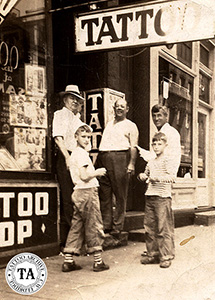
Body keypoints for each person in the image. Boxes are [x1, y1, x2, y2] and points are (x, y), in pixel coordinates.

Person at [62, 124, 109, 272]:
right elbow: (84, 176)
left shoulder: (74, 154)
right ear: (76, 137)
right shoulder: (81, 154)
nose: (87, 140)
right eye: (83, 136)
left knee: (77, 225)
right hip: (88, 192)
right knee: (94, 225)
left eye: (89, 137)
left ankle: (68, 260)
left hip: (78, 193)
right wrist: (97, 172)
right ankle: (98, 261)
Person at [95, 98, 139, 236]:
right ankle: (106, 224)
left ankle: (117, 226)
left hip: (120, 158)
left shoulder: (131, 125)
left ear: (127, 109)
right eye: (117, 106)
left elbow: (133, 147)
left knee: (120, 194)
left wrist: (131, 163)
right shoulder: (109, 124)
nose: (119, 108)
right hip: (103, 157)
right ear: (113, 108)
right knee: (104, 193)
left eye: (122, 106)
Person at [138, 132, 178, 268]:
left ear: (165, 145)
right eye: (154, 144)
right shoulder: (151, 162)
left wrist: (158, 178)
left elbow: (172, 177)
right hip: (150, 196)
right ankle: (153, 254)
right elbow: (146, 175)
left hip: (162, 197)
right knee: (149, 227)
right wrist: (142, 176)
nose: (156, 146)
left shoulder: (168, 160)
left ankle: (165, 256)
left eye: (159, 144)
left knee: (163, 228)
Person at [52, 84, 85, 247]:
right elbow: (58, 138)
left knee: (77, 195)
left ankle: (77, 237)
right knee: (67, 197)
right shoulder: (60, 114)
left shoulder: (76, 118)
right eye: (72, 98)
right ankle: (70, 240)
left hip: (76, 157)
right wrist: (66, 158)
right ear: (65, 99)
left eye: (77, 99)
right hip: (66, 156)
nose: (74, 101)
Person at [137, 104, 181, 174]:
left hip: (164, 175)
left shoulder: (171, 133)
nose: (156, 119)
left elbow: (173, 158)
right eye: (154, 116)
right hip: (156, 174)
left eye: (159, 115)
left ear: (166, 116)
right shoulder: (158, 133)